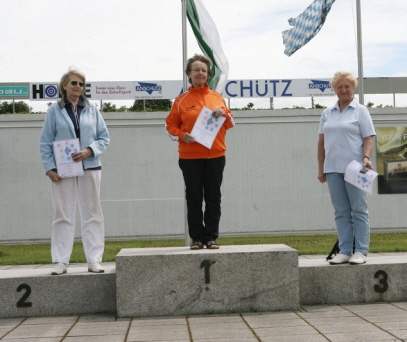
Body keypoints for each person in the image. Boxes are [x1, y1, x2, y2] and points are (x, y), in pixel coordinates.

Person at [40, 68, 110, 275]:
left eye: (81, 84)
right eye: (74, 83)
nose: (78, 87)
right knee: (63, 213)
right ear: (64, 85)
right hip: (63, 170)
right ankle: (61, 261)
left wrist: (90, 150)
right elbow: (45, 142)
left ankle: (94, 260)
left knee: (93, 213)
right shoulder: (54, 110)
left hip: (90, 167)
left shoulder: (92, 109)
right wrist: (49, 169)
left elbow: (104, 138)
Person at [166, 54, 235, 250]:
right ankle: (197, 238)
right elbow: (170, 126)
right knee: (194, 197)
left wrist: (225, 114)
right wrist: (181, 135)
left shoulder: (217, 97)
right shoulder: (180, 100)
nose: (200, 73)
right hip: (190, 157)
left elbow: (230, 124)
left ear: (208, 74)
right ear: (189, 73)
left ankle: (211, 237)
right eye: (196, 70)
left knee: (214, 197)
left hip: (216, 156)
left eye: (204, 70)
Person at [317, 71, 376, 265]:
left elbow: (368, 138)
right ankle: (344, 250)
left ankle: (360, 251)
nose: (343, 90)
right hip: (333, 168)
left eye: (347, 86)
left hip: (356, 167)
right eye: (339, 87)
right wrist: (321, 168)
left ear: (353, 88)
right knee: (341, 211)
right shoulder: (327, 113)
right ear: (334, 90)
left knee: (359, 209)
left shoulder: (360, 110)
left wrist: (366, 157)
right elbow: (321, 143)